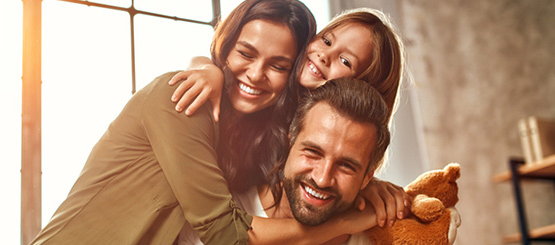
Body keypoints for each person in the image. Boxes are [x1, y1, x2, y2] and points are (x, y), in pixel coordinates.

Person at [31, 1, 384, 244]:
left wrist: (368, 189)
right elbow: (227, 235)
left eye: (278, 66)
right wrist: (346, 222)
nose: (256, 74)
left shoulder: (267, 135)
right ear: (225, 45)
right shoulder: (181, 100)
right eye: (245, 54)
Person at [169, 7, 408, 228]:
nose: (324, 55)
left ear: (362, 89)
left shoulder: (330, 161)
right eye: (326, 40)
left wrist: (368, 185)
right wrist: (209, 70)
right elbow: (209, 61)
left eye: (345, 61)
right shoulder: (274, 85)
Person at [178, 78, 391, 244]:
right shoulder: (212, 223)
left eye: (346, 166)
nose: (323, 178)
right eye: (313, 152)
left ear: (367, 178)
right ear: (289, 143)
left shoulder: (376, 237)